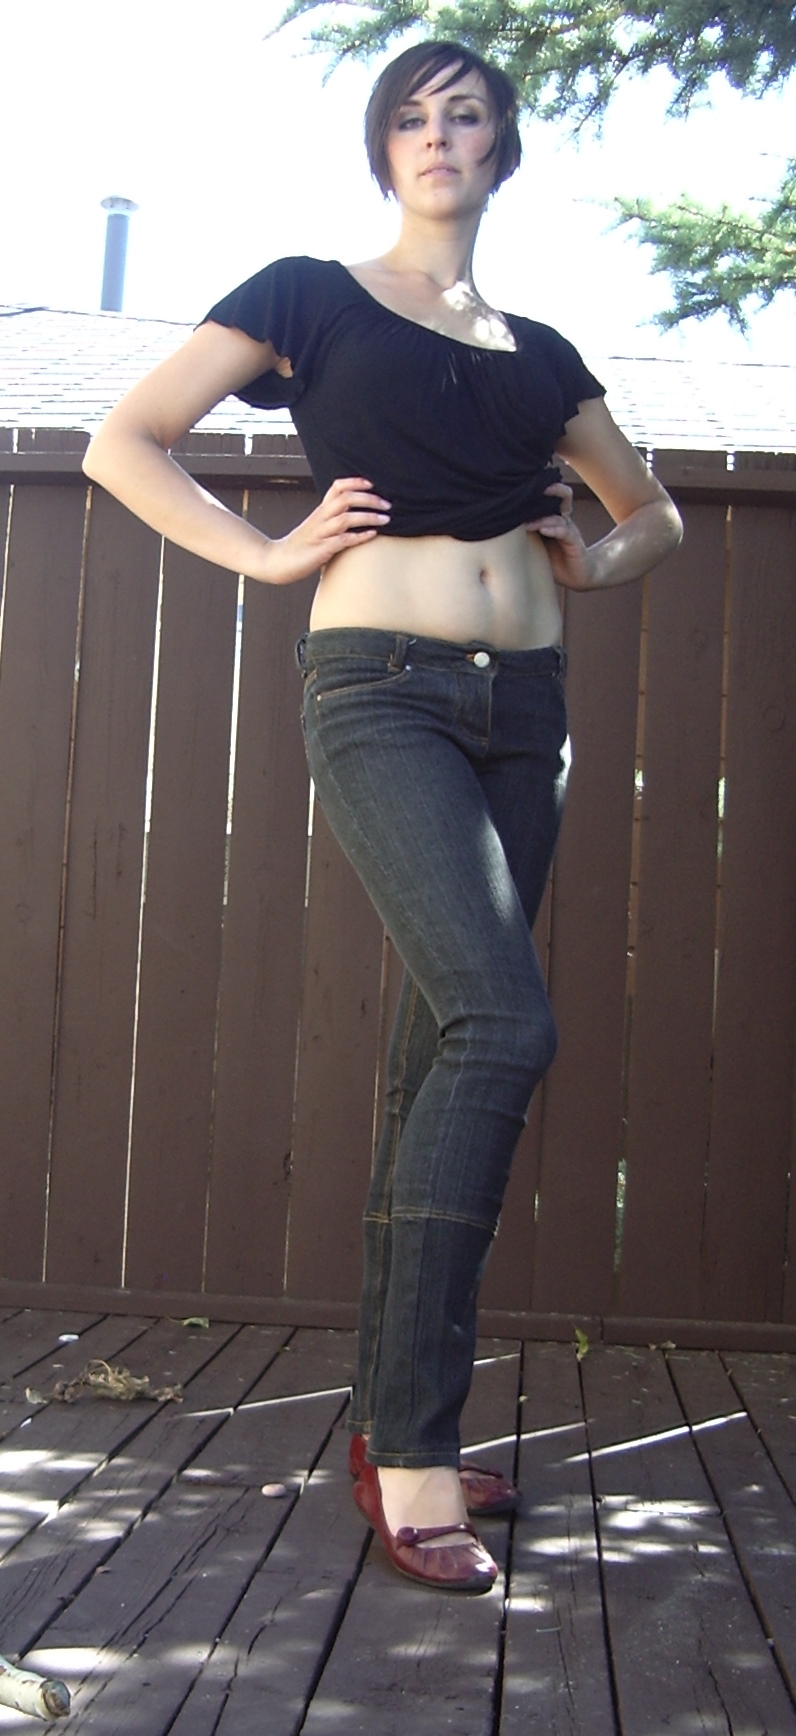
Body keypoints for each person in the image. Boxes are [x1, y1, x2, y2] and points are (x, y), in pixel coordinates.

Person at [83, 39, 682, 1594]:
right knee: (504, 1022)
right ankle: (413, 1450)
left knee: (434, 1065)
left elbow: (656, 515)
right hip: (385, 693)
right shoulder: (310, 297)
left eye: (465, 115)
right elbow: (121, 440)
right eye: (410, 116)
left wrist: (590, 557)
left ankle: (389, 1423)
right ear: (382, 147)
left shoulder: (541, 355)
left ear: (501, 151)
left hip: (524, 718)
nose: (437, 136)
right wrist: (267, 555)